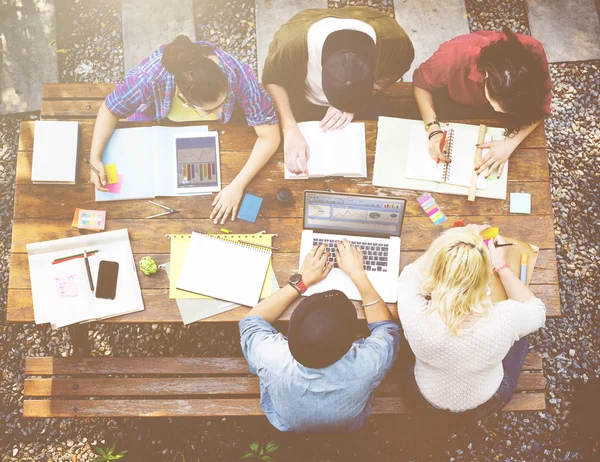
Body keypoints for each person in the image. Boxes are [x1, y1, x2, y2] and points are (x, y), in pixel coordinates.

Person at [89, 35, 279, 224]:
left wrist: (237, 186)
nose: (223, 110)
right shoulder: (149, 77)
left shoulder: (237, 75)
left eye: (227, 99)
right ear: (185, 101)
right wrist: (95, 157)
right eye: (212, 109)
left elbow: (270, 136)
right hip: (154, 125)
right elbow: (110, 109)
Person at [239, 240, 400, 432]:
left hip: (287, 422)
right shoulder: (367, 364)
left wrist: (301, 282)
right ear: (352, 343)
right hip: (347, 423)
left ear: (289, 335)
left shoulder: (271, 356)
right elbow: (387, 329)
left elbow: (251, 322)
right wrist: (358, 274)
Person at [396, 225, 546, 420]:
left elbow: (409, 274)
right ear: (485, 277)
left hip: (423, 400)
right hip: (487, 402)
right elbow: (537, 311)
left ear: (434, 272)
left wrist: (455, 237)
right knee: (522, 336)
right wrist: (501, 266)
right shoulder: (506, 318)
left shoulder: (416, 315)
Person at [262, 7, 414, 175]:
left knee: (384, 155)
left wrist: (356, 101)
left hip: (365, 100)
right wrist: (289, 127)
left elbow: (396, 69)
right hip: (306, 100)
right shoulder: (291, 44)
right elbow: (272, 79)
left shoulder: (394, 40)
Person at [413, 27, 552, 178]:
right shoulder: (453, 56)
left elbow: (541, 108)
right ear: (487, 74)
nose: (497, 111)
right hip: (451, 100)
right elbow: (421, 83)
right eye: (496, 103)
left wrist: (510, 143)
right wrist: (433, 129)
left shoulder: (533, 54)